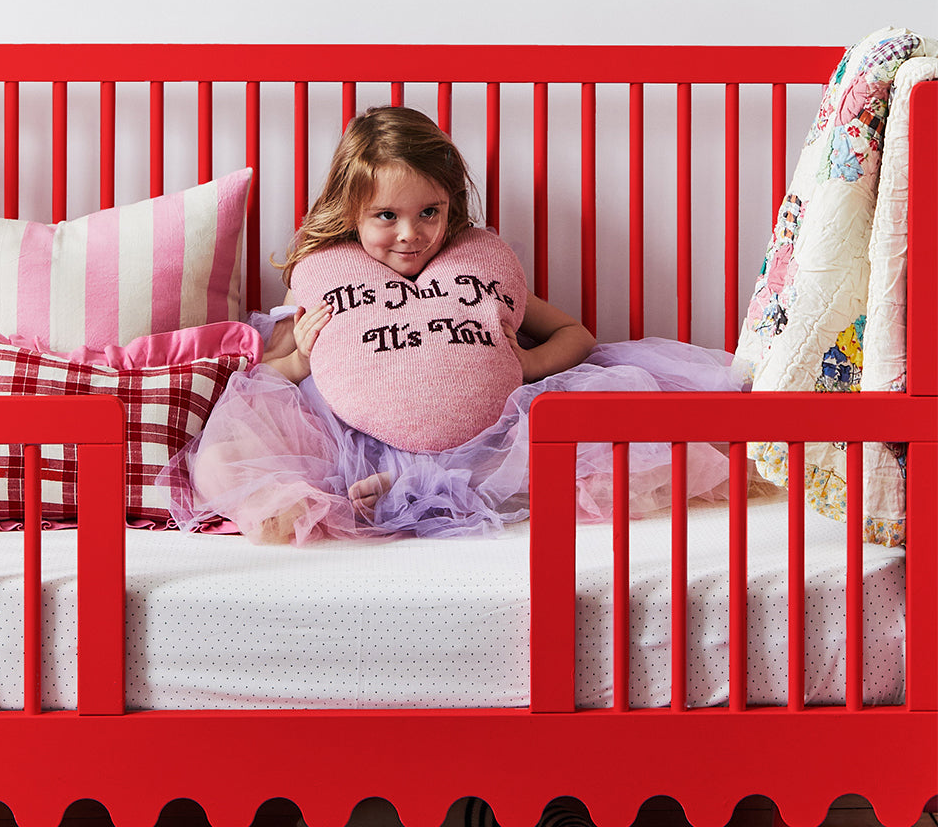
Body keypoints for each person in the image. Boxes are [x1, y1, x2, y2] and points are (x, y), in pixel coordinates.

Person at [160, 106, 741, 544]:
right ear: (352, 211)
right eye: (387, 216)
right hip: (356, 431)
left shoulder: (477, 265)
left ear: (449, 207)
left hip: (480, 428)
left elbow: (579, 337)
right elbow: (273, 368)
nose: (411, 233)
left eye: (428, 213)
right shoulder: (323, 274)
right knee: (224, 457)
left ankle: (417, 489)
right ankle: (349, 493)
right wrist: (299, 359)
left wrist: (529, 363)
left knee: (561, 448)